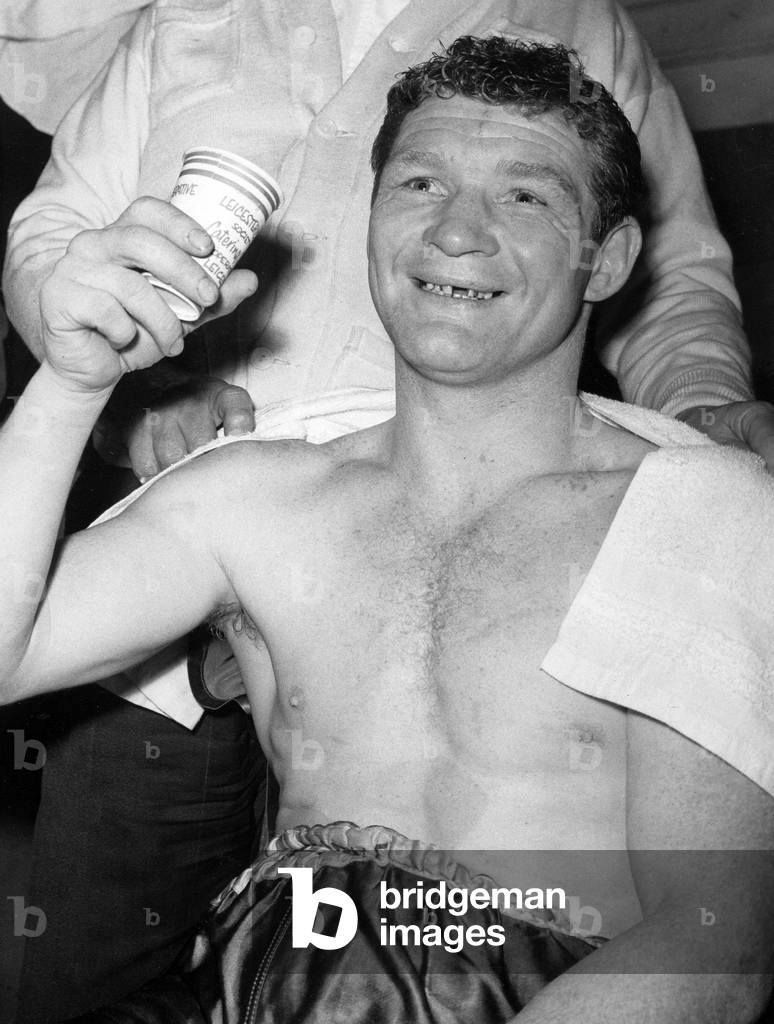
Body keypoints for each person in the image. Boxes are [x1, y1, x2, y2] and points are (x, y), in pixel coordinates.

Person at [5, 2, 774, 1016]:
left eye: (527, 195)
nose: (457, 229)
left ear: (612, 256)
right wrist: (68, 384)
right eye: (419, 183)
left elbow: (713, 953)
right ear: (368, 217)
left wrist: (708, 405)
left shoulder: (687, 514)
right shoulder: (259, 498)